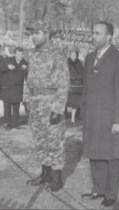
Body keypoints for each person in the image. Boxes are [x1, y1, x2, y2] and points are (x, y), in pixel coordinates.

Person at [81, 21, 119, 207]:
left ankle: (111, 194)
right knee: (95, 153)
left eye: (97, 33)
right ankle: (98, 188)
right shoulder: (88, 58)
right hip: (93, 117)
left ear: (109, 36)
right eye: (92, 32)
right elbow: (86, 88)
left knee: (112, 157)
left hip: (110, 118)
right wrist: (83, 111)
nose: (93, 36)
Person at [23, 20, 70, 192]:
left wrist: (58, 109)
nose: (33, 36)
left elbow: (64, 83)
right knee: (40, 140)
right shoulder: (33, 54)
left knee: (55, 141)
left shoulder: (57, 54)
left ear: (46, 33)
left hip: (50, 102)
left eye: (37, 33)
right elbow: (27, 78)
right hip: (35, 103)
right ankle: (45, 174)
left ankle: (56, 178)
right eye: (32, 33)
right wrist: (26, 99)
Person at [1, 47, 28, 129]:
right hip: (7, 88)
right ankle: (8, 124)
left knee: (16, 106)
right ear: (15, 54)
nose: (20, 55)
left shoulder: (25, 64)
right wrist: (7, 67)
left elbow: (28, 75)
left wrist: (26, 69)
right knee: (7, 106)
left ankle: (15, 124)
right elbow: (1, 68)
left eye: (22, 54)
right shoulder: (8, 60)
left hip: (17, 88)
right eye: (19, 54)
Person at [66, 46, 84, 124]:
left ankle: (73, 118)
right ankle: (64, 116)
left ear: (76, 55)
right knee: (66, 101)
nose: (73, 56)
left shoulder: (79, 63)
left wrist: (79, 79)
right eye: (71, 55)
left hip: (77, 86)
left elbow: (82, 73)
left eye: (74, 55)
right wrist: (71, 77)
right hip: (69, 85)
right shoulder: (66, 63)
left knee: (75, 104)